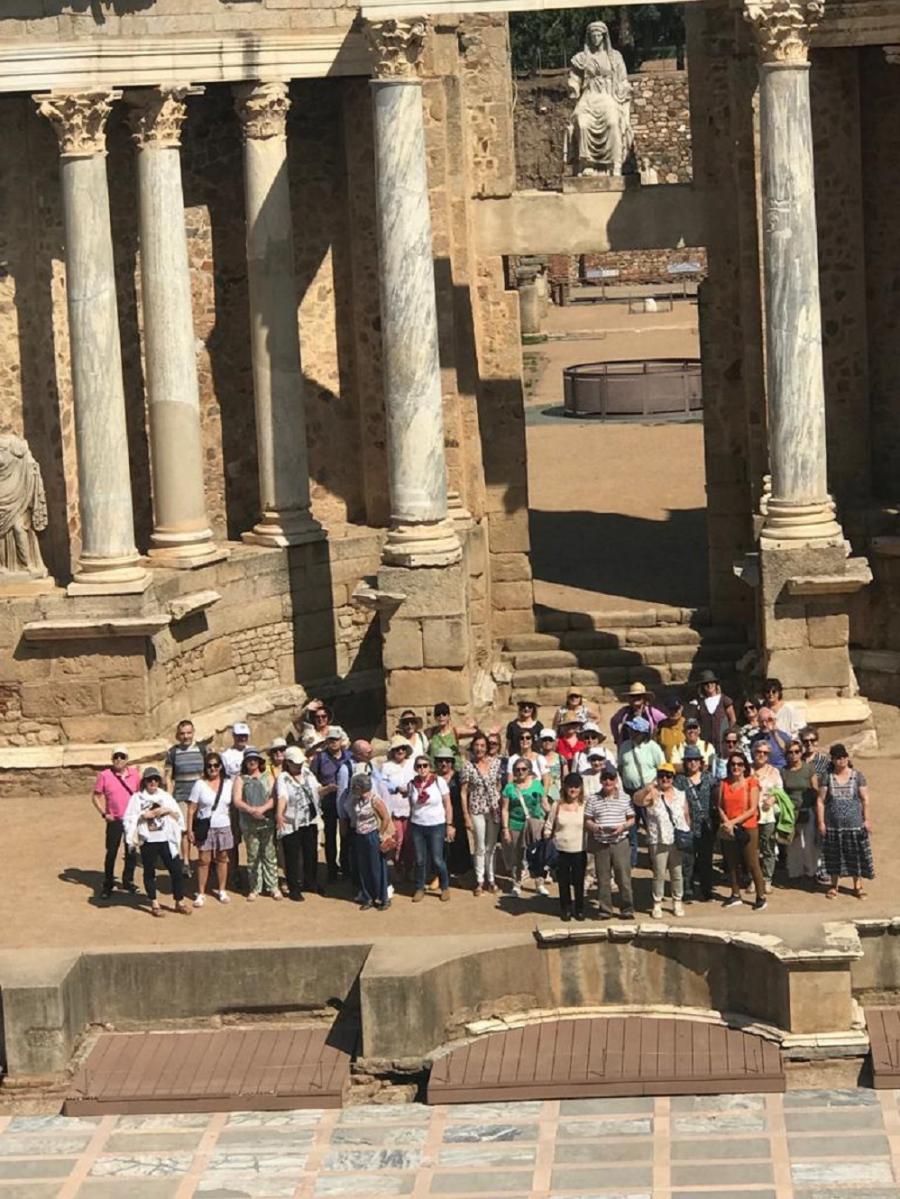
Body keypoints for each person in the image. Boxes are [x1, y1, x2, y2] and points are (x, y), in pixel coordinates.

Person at [122, 767, 192, 918]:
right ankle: (154, 902)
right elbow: (129, 818)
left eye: (155, 779)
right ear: (145, 782)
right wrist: (144, 815)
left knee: (176, 870)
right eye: (149, 779)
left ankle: (179, 901)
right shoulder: (137, 798)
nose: (153, 782)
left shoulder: (166, 797)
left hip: (166, 839)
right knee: (149, 871)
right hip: (149, 841)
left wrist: (166, 811)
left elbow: (177, 816)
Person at [567, 19, 633, 176]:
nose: (595, 38)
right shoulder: (581, 58)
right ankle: (587, 163)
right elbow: (575, 78)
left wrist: (625, 89)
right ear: (588, 37)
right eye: (592, 35)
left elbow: (623, 79)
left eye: (598, 35)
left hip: (607, 97)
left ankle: (614, 163)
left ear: (604, 37)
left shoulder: (615, 57)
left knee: (612, 123)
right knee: (581, 123)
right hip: (589, 97)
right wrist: (574, 87)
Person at [634, 763, 690, 919]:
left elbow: (686, 814)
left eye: (668, 776)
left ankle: (677, 900)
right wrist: (648, 788)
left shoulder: (680, 794)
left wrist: (686, 832)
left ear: (673, 778)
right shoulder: (653, 794)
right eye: (661, 776)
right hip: (658, 839)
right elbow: (637, 800)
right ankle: (657, 903)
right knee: (659, 873)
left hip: (676, 838)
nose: (665, 779)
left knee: (677, 872)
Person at [818, 743, 874, 900]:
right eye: (837, 757)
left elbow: (865, 799)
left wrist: (867, 819)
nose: (841, 760)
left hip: (855, 823)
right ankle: (833, 886)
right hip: (833, 825)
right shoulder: (826, 777)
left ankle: (858, 886)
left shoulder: (858, 776)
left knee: (855, 855)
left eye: (843, 757)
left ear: (847, 758)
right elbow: (820, 801)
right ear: (833, 759)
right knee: (835, 855)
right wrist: (821, 822)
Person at [585, 763, 635, 919]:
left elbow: (632, 819)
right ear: (601, 780)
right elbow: (587, 820)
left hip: (620, 841)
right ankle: (605, 910)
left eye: (611, 778)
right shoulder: (593, 799)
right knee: (603, 878)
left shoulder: (625, 798)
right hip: (601, 842)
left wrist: (623, 827)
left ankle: (627, 908)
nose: (608, 782)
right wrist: (596, 828)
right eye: (605, 778)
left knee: (623, 877)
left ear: (616, 780)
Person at [718, 752, 766, 910]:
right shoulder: (724, 783)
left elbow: (752, 809)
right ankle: (735, 893)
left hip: (747, 826)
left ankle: (761, 896)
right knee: (731, 862)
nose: (736, 767)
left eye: (739, 764)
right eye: (733, 764)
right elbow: (719, 806)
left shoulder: (751, 782)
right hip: (729, 826)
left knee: (752, 862)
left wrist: (733, 822)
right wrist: (727, 822)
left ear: (745, 766)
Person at [92, 746, 141, 900]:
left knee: (131, 852)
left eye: (122, 756)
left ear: (127, 759)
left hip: (131, 820)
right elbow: (96, 796)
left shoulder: (135, 775)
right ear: (112, 759)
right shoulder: (105, 775)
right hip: (115, 819)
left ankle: (128, 881)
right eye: (116, 757)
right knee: (111, 852)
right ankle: (108, 883)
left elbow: (141, 795)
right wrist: (104, 813)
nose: (119, 760)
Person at [232, 747, 279, 901]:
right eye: (248, 760)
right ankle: (254, 887)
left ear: (259, 761)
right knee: (253, 856)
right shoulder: (240, 779)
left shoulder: (268, 776)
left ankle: (273, 886)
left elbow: (274, 797)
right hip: (248, 823)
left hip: (267, 821)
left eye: (254, 759)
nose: (252, 762)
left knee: (269, 855)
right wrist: (251, 810)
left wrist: (263, 809)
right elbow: (237, 800)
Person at [460, 732, 504, 896]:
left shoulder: (496, 764)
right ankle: (480, 880)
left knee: (491, 846)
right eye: (477, 745)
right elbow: (464, 792)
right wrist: (466, 815)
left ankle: (491, 879)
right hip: (477, 808)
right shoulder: (468, 766)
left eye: (482, 746)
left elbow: (498, 785)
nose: (479, 749)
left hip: (493, 809)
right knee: (479, 845)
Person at [617, 716, 665, 866]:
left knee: (651, 827)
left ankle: (655, 860)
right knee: (631, 828)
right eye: (631, 730)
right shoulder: (624, 746)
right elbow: (620, 767)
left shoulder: (653, 747)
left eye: (635, 731)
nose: (632, 733)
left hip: (647, 792)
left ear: (643, 733)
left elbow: (662, 769)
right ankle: (631, 861)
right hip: (628, 792)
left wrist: (653, 787)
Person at [188, 752, 234, 907]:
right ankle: (201, 892)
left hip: (223, 825)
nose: (212, 768)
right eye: (209, 766)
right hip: (205, 827)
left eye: (215, 765)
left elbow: (233, 805)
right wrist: (189, 830)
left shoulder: (228, 784)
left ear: (220, 766)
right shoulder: (199, 784)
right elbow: (191, 808)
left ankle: (222, 890)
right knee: (203, 860)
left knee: (222, 858)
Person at [275, 746, 320, 901]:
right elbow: (283, 797)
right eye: (295, 763)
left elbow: (317, 789)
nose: (299, 765)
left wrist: (328, 789)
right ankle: (294, 887)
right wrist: (279, 814)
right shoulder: (283, 778)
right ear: (288, 762)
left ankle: (310, 882)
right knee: (292, 856)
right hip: (292, 821)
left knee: (310, 853)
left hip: (309, 819)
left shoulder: (307, 773)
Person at [501, 757, 550, 898]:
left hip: (534, 824)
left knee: (538, 855)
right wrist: (505, 829)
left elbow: (543, 803)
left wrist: (552, 816)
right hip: (515, 824)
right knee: (517, 855)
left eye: (523, 769)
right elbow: (505, 809)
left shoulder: (536, 785)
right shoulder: (509, 788)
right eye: (517, 769)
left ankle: (539, 883)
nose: (520, 772)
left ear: (529, 770)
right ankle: (516, 884)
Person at [409, 754, 454, 902]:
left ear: (430, 767)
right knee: (420, 859)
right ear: (415, 768)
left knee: (437, 859)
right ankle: (419, 887)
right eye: (419, 766)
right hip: (417, 825)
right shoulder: (412, 784)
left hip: (436, 824)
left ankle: (445, 886)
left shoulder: (438, 781)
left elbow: (447, 803)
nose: (422, 769)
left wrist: (449, 824)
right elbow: (412, 804)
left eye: (425, 765)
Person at [674, 745, 716, 901]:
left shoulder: (709, 778)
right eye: (689, 760)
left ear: (701, 762)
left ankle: (706, 889)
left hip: (707, 825)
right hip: (688, 824)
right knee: (687, 860)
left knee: (706, 860)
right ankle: (688, 889)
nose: (692, 763)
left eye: (695, 760)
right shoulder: (680, 781)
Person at [164, 719, 205, 879]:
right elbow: (168, 777)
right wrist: (169, 798)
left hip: (200, 797)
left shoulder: (203, 749)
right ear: (177, 735)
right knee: (184, 831)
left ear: (193, 733)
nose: (185, 736)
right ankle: (186, 862)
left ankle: (204, 860)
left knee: (202, 829)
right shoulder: (173, 753)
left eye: (188, 733)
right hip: (181, 796)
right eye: (182, 734)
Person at [544, 773, 587, 922]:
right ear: (565, 787)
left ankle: (580, 908)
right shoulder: (557, 805)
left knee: (579, 881)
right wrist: (546, 837)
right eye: (570, 786)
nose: (573, 789)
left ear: (581, 788)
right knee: (563, 881)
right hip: (561, 849)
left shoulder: (585, 806)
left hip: (580, 848)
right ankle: (566, 908)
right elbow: (549, 825)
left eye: (576, 786)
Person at [349, 772, 394, 911]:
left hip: (373, 835)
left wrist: (380, 834)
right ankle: (367, 897)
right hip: (360, 835)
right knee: (363, 868)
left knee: (377, 868)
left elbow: (386, 817)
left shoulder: (375, 800)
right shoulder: (356, 800)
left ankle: (382, 898)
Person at [312, 727, 350, 882]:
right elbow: (312, 778)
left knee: (346, 835)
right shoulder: (320, 758)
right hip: (328, 802)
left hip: (346, 802)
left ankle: (346, 866)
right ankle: (332, 869)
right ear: (327, 742)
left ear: (341, 741)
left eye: (336, 740)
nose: (334, 743)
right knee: (330, 837)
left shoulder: (349, 756)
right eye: (331, 740)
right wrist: (324, 789)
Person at [782, 738, 820, 885]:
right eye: (790, 752)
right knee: (793, 844)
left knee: (810, 843)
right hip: (791, 812)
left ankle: (812, 872)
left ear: (801, 752)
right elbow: (783, 792)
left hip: (807, 809)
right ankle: (795, 873)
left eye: (797, 752)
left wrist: (816, 810)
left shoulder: (808, 768)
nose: (794, 755)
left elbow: (815, 789)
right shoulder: (784, 772)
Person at [750, 738, 782, 892]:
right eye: (758, 752)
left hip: (767, 815)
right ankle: (753, 879)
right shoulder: (746, 770)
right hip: (750, 816)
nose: (761, 755)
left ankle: (767, 879)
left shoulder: (774, 771)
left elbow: (780, 791)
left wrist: (773, 798)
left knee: (768, 847)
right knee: (752, 849)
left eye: (765, 753)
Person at [436, 749, 472, 878]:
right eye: (440, 761)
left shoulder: (458, 777)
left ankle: (461, 871)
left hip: (457, 814)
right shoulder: (433, 778)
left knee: (459, 843)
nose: (444, 764)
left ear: (452, 762)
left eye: (447, 761)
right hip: (439, 815)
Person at [382, 736, 415, 872]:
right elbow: (383, 783)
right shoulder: (387, 766)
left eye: (403, 748)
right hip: (394, 807)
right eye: (397, 749)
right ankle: (398, 868)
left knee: (409, 840)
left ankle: (409, 868)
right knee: (398, 839)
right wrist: (396, 787)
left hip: (411, 806)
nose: (400, 751)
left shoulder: (413, 764)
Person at [687, 670, 736, 754]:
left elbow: (732, 719)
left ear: (716, 684)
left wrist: (728, 734)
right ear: (702, 686)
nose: (709, 685)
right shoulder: (699, 703)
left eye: (711, 682)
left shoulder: (724, 699)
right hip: (706, 742)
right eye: (706, 684)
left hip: (722, 741)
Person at [657, 696, 686, 761]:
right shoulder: (661, 726)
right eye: (671, 709)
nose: (674, 712)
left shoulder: (687, 724)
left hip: (685, 767)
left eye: (676, 709)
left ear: (681, 708)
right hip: (667, 767)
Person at [539, 730, 564, 803]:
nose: (547, 742)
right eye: (544, 740)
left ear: (554, 742)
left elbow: (565, 778)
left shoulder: (560, 758)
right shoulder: (536, 758)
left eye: (550, 740)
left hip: (556, 792)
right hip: (540, 792)